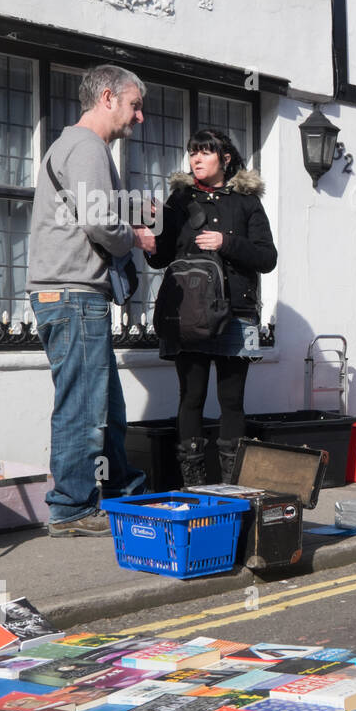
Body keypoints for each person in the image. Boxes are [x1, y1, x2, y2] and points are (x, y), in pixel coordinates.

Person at [27, 64, 156, 536]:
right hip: (74, 293)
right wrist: (136, 238)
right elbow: (101, 222)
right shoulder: (87, 147)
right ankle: (71, 507)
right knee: (83, 404)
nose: (139, 116)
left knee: (107, 405)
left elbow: (90, 213)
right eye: (134, 104)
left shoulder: (74, 146)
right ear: (107, 98)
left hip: (70, 292)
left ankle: (121, 492)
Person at [149, 129, 277, 485]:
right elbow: (160, 259)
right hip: (188, 314)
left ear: (225, 158)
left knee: (232, 400)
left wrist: (227, 242)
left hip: (236, 312)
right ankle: (194, 483)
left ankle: (231, 486)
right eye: (192, 153)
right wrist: (149, 237)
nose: (196, 159)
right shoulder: (178, 200)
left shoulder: (247, 201)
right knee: (191, 397)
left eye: (205, 152)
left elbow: (267, 258)